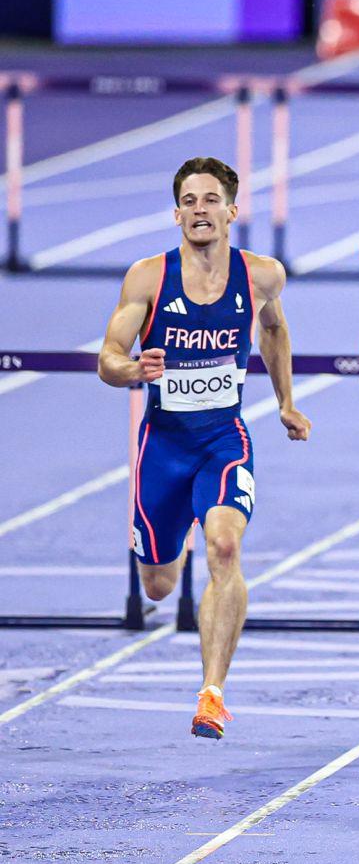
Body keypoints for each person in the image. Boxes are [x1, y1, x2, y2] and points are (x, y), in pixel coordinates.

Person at [98, 157, 311, 739]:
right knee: (159, 586)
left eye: (210, 199)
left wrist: (287, 403)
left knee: (224, 547)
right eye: (189, 201)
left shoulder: (262, 275)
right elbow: (107, 359)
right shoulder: (147, 278)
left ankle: (212, 694)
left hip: (224, 439)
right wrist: (132, 369)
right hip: (163, 449)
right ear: (176, 214)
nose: (200, 210)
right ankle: (177, 540)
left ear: (231, 211)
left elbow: (272, 330)